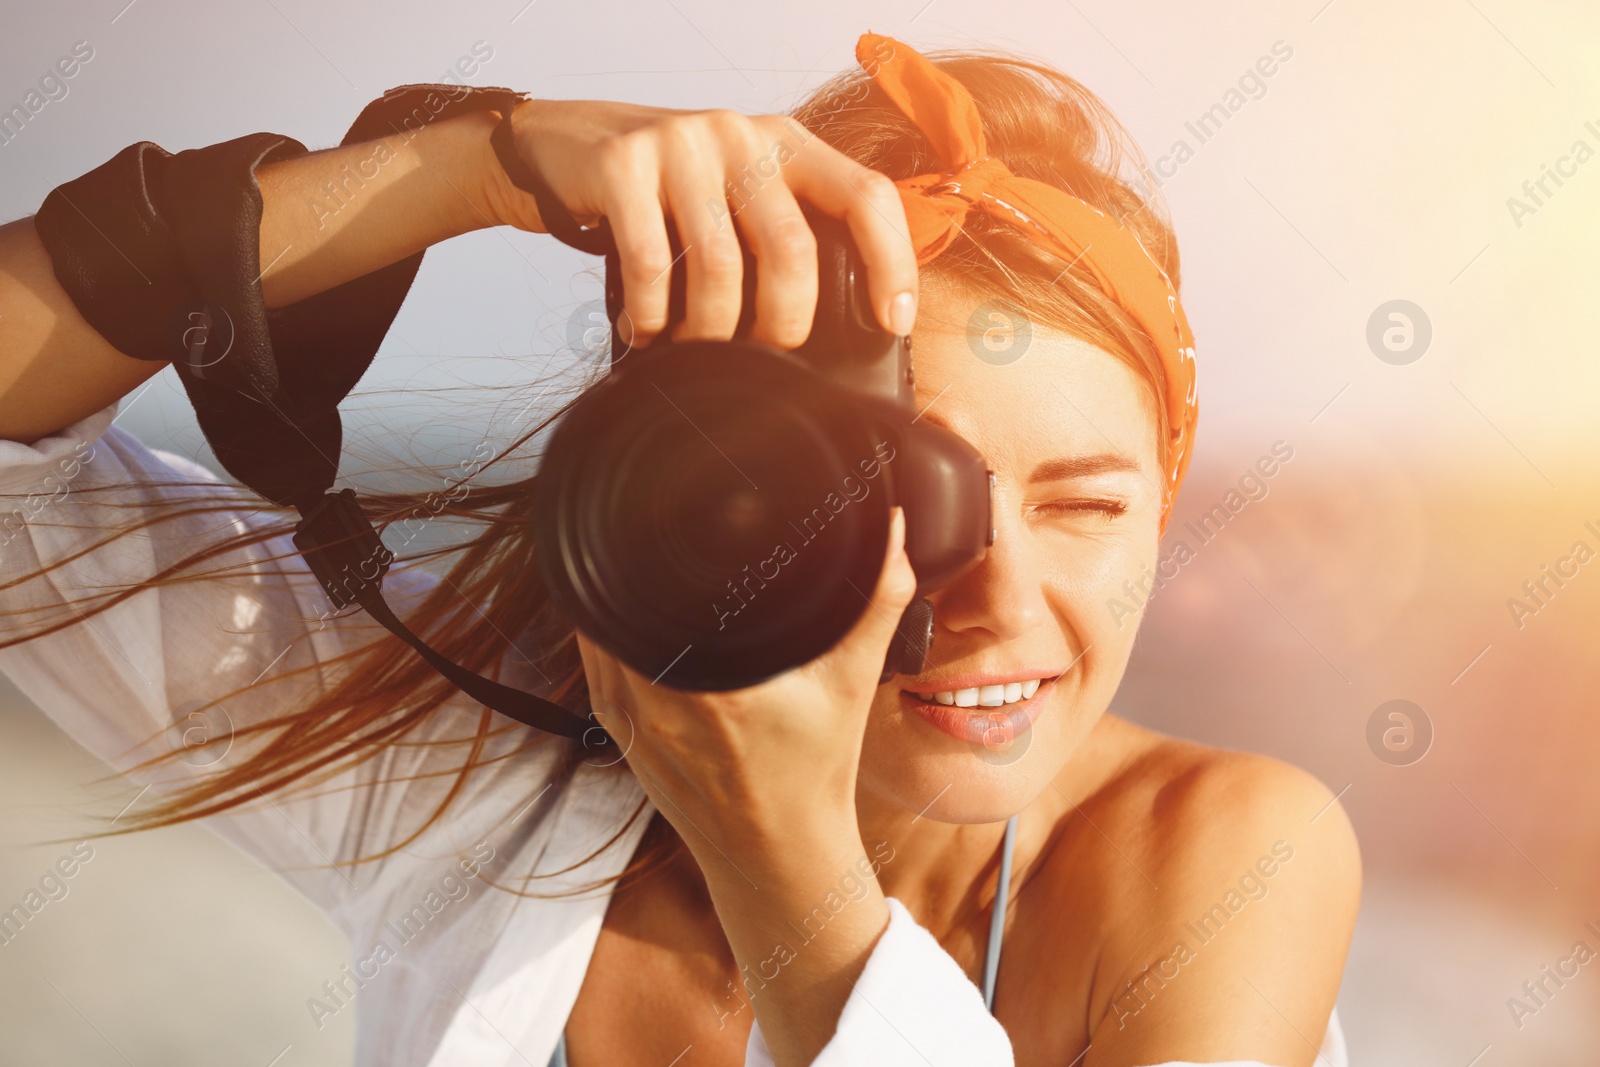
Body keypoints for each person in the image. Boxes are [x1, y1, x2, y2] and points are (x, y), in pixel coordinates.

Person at [0, 31, 1359, 1067]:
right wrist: (476, 164)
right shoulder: (474, 760)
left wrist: (787, 863)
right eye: (910, 491)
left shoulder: (1219, 858)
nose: (998, 599)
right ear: (728, 489)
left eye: (1089, 506)